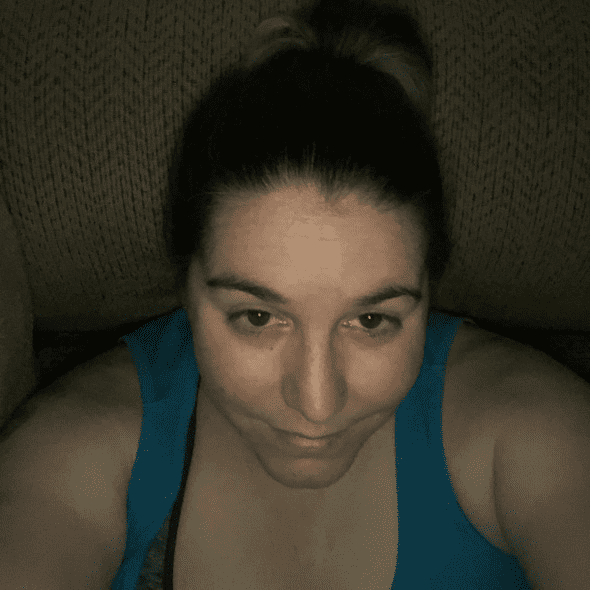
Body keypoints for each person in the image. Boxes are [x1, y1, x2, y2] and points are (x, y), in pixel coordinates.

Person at [1, 1, 588, 589]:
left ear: (428, 292)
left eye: (372, 320)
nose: (317, 403)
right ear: (186, 283)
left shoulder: (534, 434)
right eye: (258, 317)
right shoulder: (72, 455)